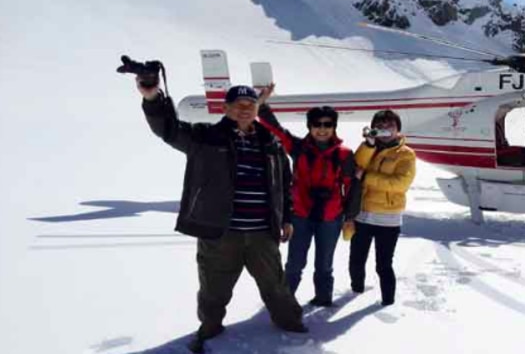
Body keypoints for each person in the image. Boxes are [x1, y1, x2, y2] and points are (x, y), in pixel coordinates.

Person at [136, 80, 307, 353]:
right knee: (213, 290)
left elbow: (283, 186)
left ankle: (290, 322)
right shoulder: (205, 137)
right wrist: (153, 97)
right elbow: (167, 130)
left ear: (257, 108)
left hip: (263, 233)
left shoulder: (270, 143)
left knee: (276, 285)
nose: (244, 109)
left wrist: (286, 217)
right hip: (220, 235)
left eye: (250, 105)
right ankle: (210, 326)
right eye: (237, 105)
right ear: (225, 108)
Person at [256, 83, 359, 307]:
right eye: (316, 124)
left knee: (324, 264)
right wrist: (262, 105)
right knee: (294, 263)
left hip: (330, 218)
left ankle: (323, 299)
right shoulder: (298, 147)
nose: (322, 129)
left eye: (327, 124)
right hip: (300, 215)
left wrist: (350, 216)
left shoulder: (344, 154)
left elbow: (352, 187)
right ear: (309, 126)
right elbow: (276, 130)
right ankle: (284, 301)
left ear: (334, 127)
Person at [348, 109, 416, 306]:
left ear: (398, 129)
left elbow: (400, 184)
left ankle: (388, 302)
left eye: (390, 125)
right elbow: (356, 165)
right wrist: (368, 144)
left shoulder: (406, 154)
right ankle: (355, 291)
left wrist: (367, 177)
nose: (385, 129)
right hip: (362, 214)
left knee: (383, 265)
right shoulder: (369, 148)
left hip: (388, 218)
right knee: (356, 260)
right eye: (380, 126)